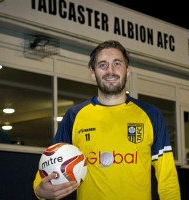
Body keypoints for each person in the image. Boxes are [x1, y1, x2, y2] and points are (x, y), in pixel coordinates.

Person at [33, 40, 181, 199]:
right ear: (92, 72)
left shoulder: (151, 115)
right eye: (102, 65)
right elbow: (50, 162)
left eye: (117, 63)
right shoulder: (75, 115)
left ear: (128, 70)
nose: (110, 70)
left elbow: (168, 178)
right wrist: (39, 190)